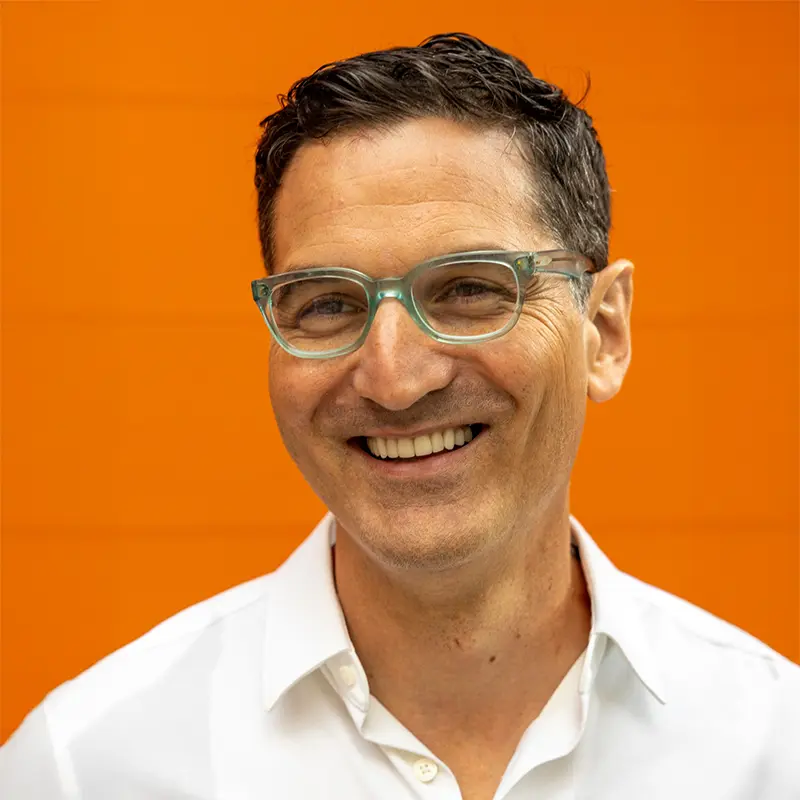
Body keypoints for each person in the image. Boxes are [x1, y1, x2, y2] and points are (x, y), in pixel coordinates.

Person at [1, 32, 798, 800]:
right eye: (326, 304)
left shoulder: (772, 751)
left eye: (470, 289)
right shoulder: (87, 767)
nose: (393, 379)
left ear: (604, 331)